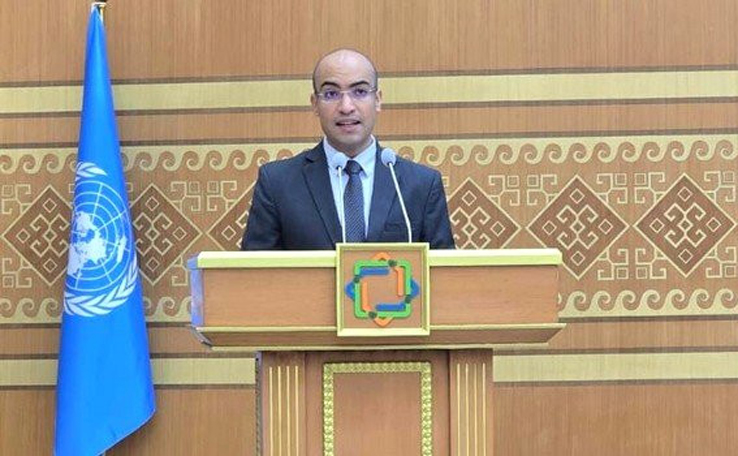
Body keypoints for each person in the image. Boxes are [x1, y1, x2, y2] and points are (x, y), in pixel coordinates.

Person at [241, 49, 454, 250]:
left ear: (377, 100)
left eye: (359, 92)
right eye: (331, 94)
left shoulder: (422, 184)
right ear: (315, 104)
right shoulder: (278, 183)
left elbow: (445, 271)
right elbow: (256, 271)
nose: (346, 107)